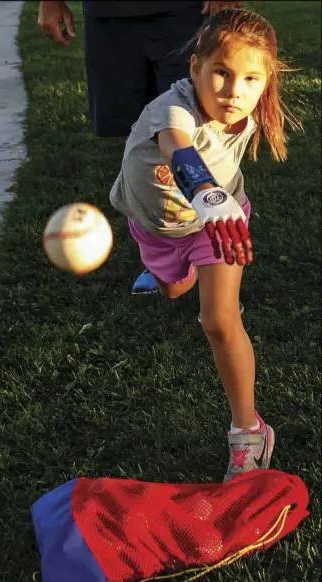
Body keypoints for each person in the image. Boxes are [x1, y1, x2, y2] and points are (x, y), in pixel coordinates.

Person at [109, 7, 302, 482]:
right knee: (173, 290)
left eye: (251, 79)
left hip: (218, 223)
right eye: (221, 73)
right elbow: (178, 145)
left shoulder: (246, 113)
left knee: (218, 319)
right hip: (158, 227)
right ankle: (174, 273)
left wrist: (216, 201)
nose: (235, 92)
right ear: (194, 67)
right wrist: (203, 189)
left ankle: (248, 430)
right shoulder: (170, 108)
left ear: (266, 81)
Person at [38, 0, 242, 294]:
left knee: (197, 117)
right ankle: (161, 247)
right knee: (138, 135)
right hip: (110, 14)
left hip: (184, 10)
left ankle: (212, 258)